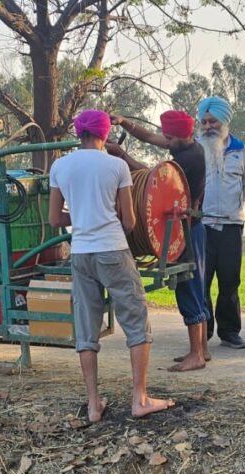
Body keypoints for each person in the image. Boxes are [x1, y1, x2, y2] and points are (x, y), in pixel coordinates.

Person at [48, 110, 174, 422]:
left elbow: (55, 219)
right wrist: (106, 216)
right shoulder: (116, 166)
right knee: (136, 320)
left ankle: (93, 405)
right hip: (113, 250)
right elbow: (129, 221)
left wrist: (82, 216)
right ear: (105, 134)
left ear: (79, 133)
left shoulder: (60, 166)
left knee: (86, 328)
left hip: (81, 254)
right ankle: (140, 399)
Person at [109, 110, 211, 372]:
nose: (165, 141)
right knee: (197, 288)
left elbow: (155, 182)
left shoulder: (189, 159)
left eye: (168, 138)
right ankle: (202, 349)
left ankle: (196, 356)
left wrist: (121, 156)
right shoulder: (188, 145)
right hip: (191, 229)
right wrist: (125, 122)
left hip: (183, 231)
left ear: (182, 136)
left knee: (189, 288)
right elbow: (149, 137)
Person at [196, 96, 245, 349]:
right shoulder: (196, 149)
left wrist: (233, 209)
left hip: (231, 225)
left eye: (213, 121)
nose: (208, 127)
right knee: (202, 280)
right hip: (202, 225)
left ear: (225, 122)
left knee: (230, 280)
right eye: (204, 122)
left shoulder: (241, 151)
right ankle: (203, 332)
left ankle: (229, 332)